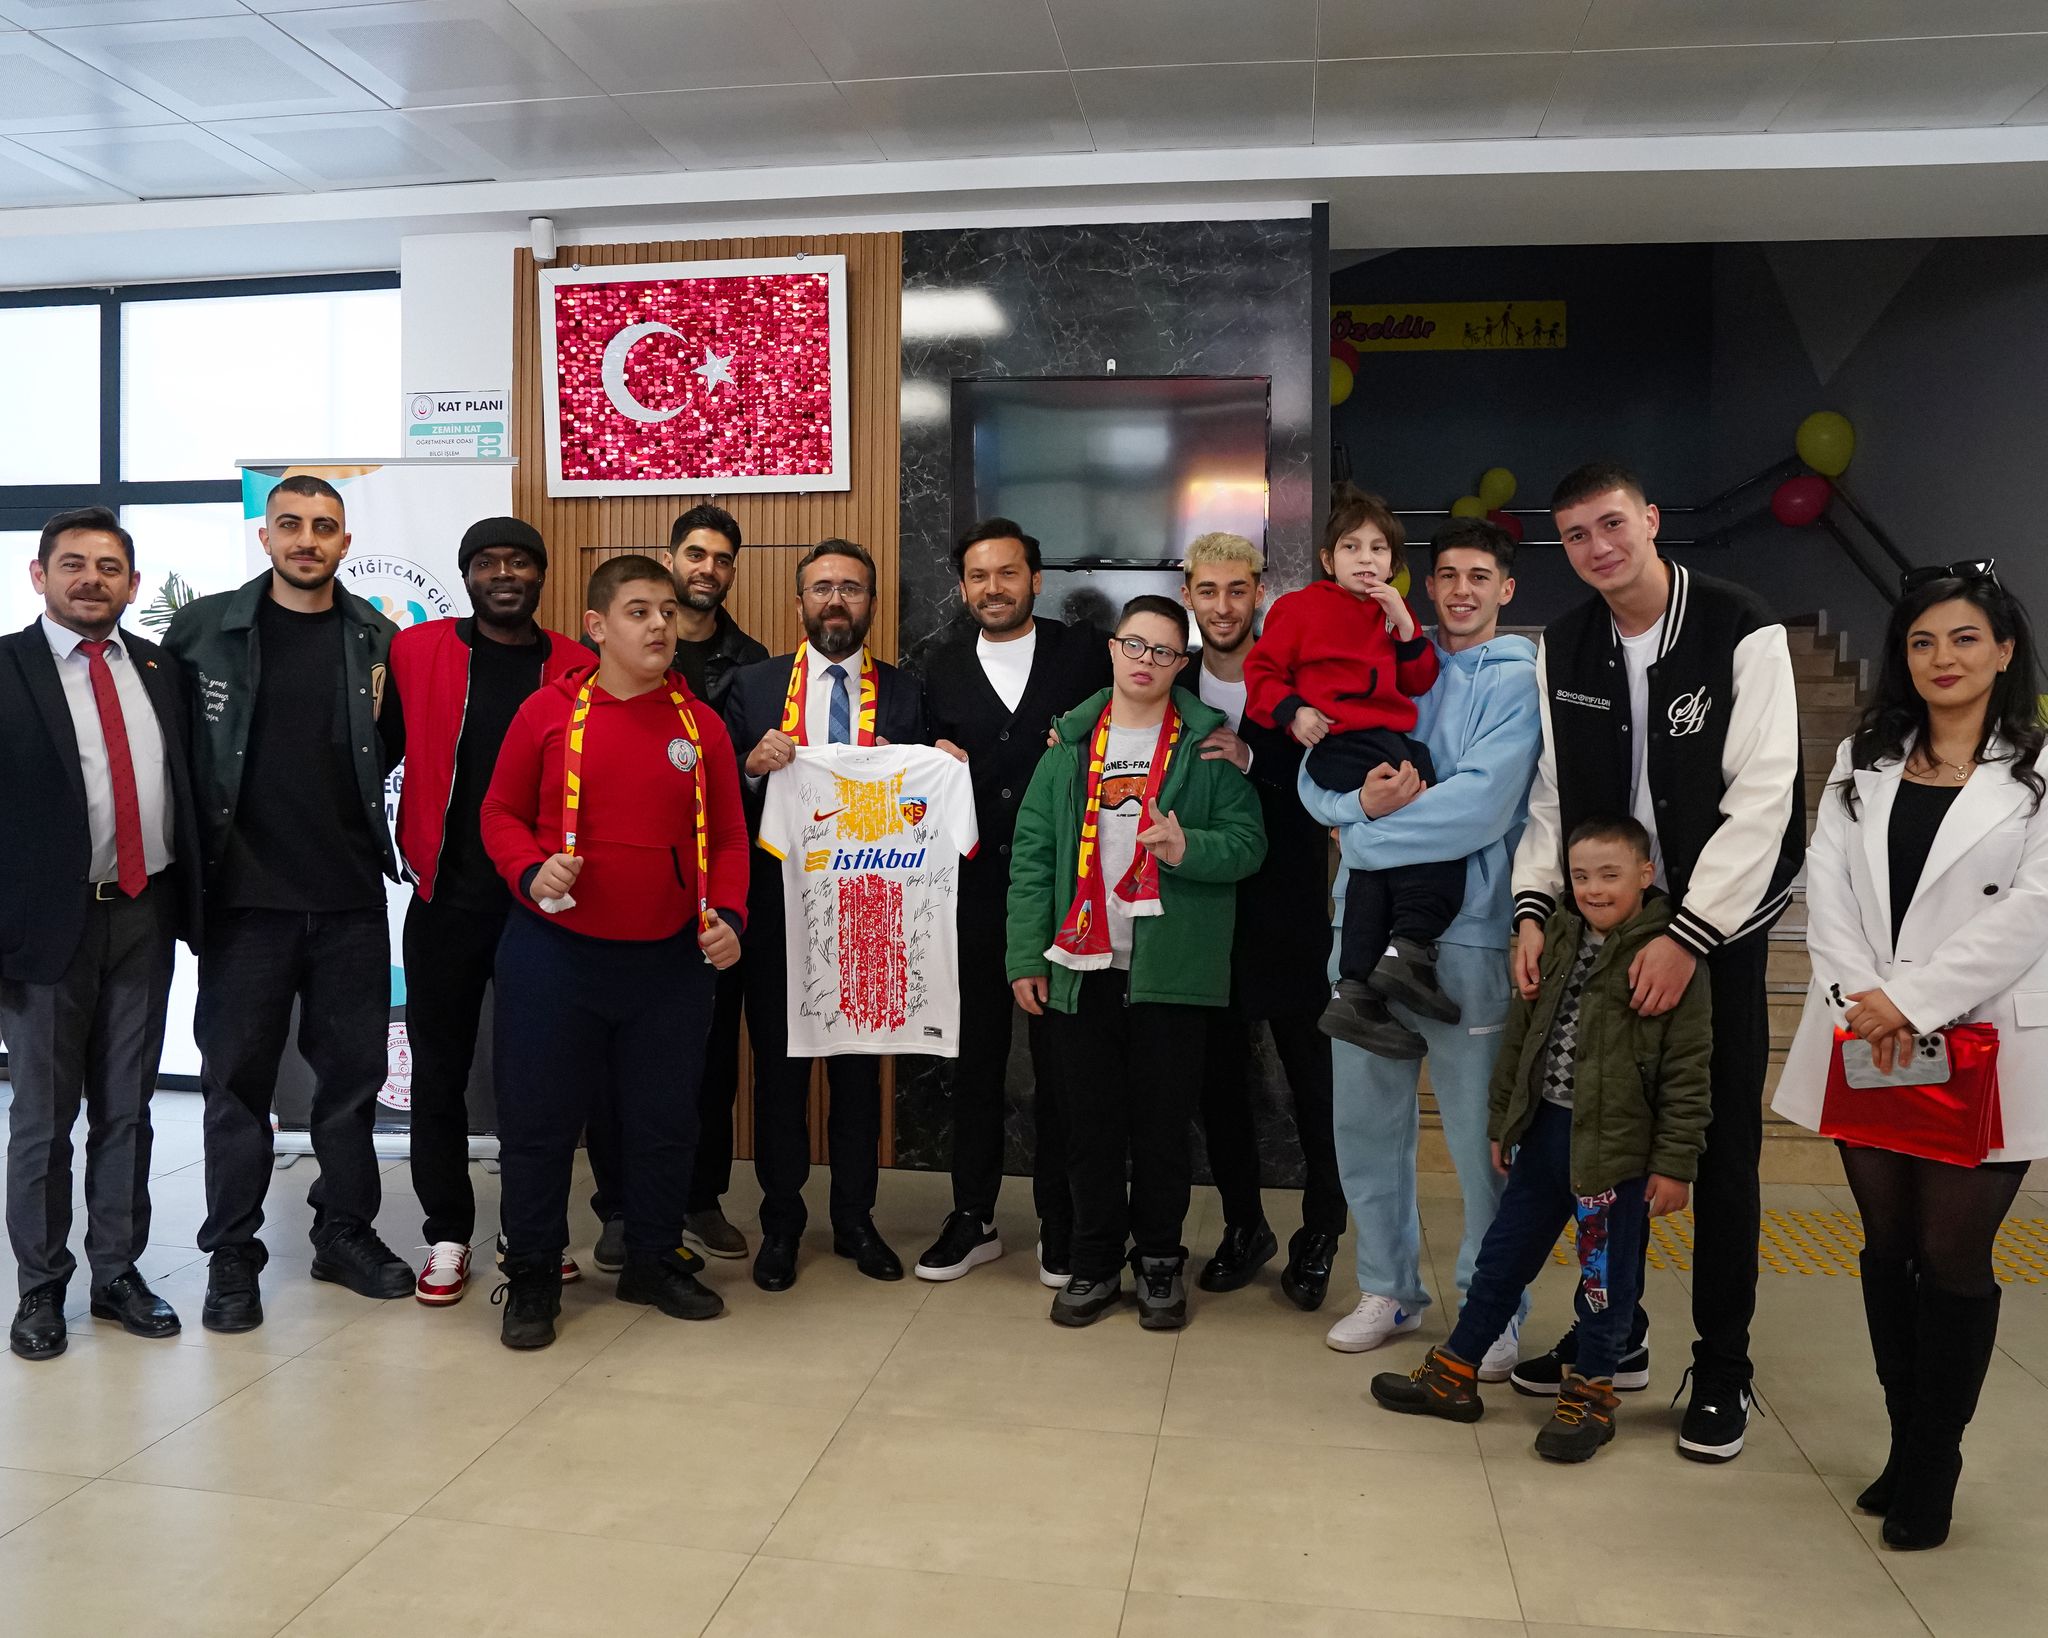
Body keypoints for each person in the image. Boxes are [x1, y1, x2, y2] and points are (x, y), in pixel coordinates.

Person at [1511, 460, 1802, 1462]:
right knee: (1606, 1147)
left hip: (1717, 930)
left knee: (1718, 1155)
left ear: (1649, 518)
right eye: (1575, 535)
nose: (1597, 547)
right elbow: (1552, 794)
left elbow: (1763, 796)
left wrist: (1689, 937)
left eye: (1610, 524)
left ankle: (1722, 1367)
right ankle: (1615, 1335)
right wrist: (1534, 908)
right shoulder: (1565, 643)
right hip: (1609, 926)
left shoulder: (1737, 623)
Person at [1774, 563, 2048, 1549]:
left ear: (2004, 651)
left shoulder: (2039, 768)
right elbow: (1827, 881)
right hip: (1871, 1036)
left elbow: (2035, 906)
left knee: (1951, 1253)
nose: (1942, 658)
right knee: (1885, 1247)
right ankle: (1903, 1437)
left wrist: (1913, 1001)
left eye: (1964, 638)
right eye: (1923, 641)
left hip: (1985, 1041)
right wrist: (1866, 1000)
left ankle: (1936, 1458)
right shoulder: (1864, 757)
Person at [1371, 817, 1710, 1463]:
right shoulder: (1556, 936)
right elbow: (1521, 1040)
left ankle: (1591, 1396)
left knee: (1605, 1281)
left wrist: (1674, 1164)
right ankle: (1455, 1372)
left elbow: (1689, 1071)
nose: (1593, 889)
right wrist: (1504, 1122)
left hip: (1615, 1154)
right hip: (1547, 1134)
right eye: (1580, 877)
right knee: (1501, 1258)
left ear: (1645, 874)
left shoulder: (1668, 957)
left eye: (1610, 875)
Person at [478, 555, 749, 1349]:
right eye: (639, 611)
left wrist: (731, 915)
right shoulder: (545, 713)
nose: (660, 624)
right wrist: (529, 869)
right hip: (553, 957)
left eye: (667, 610)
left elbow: (731, 839)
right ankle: (533, 1270)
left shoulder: (702, 726)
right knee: (538, 1125)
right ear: (597, 626)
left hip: (668, 963)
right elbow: (498, 812)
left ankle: (652, 1259)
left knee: (665, 1122)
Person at [165, 474, 410, 1333]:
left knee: (351, 1083)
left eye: (325, 526)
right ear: (265, 536)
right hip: (243, 902)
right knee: (236, 1085)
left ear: (346, 542)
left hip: (348, 899)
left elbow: (388, 748)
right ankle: (232, 1253)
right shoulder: (203, 633)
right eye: (292, 524)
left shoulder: (375, 637)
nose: (308, 539)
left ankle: (343, 1232)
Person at [1298, 519, 1541, 1367]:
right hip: (1360, 933)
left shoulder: (1518, 681)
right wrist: (1351, 807)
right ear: (1425, 586)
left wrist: (1362, 835)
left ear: (1506, 588)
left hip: (1467, 936)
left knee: (1480, 1139)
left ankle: (1492, 1304)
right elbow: (1317, 774)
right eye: (1448, 576)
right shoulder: (1381, 655)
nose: (1462, 590)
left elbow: (1481, 804)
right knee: (1365, 1124)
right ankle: (1388, 1288)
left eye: (1480, 576)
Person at [1007, 596, 1265, 1331]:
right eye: (1134, 646)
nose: (1146, 661)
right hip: (1078, 966)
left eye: (1163, 651)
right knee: (1087, 1129)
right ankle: (1093, 1262)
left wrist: (1188, 848)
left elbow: (1249, 844)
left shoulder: (1208, 748)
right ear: (1113, 650)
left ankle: (1158, 1261)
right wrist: (1024, 956)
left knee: (1161, 1129)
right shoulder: (1069, 748)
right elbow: (1032, 858)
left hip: (1171, 973)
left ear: (1181, 663)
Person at [2, 508, 204, 1361]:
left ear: (132, 582)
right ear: (39, 576)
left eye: (110, 567)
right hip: (42, 930)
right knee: (45, 1119)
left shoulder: (160, 669)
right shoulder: (6, 668)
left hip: (143, 913)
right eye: (74, 564)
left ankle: (117, 1274)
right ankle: (41, 1287)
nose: (92, 579)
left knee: (128, 1109)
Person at [387, 517, 587, 1305]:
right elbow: (374, 751)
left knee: (540, 1076)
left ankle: (530, 1233)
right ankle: (447, 1233)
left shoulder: (575, 665)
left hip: (544, 904)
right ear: (467, 575)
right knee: (439, 1072)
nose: (504, 573)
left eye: (520, 562)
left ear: (540, 575)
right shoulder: (417, 652)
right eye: (488, 562)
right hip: (447, 901)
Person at [723, 539, 927, 1293]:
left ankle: (855, 1219)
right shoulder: (753, 685)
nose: (835, 600)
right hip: (778, 912)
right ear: (800, 601)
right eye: (821, 588)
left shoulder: (906, 692)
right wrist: (751, 767)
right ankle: (781, 1223)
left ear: (871, 602)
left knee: (856, 1078)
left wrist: (930, 768)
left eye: (851, 588)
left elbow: (924, 803)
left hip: (870, 911)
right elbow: (713, 790)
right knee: (778, 1078)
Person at [911, 517, 1110, 1285]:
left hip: (1064, 894)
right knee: (975, 1062)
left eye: (1007, 573)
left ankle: (1062, 1220)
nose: (992, 588)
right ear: (962, 587)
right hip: (967, 897)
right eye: (978, 576)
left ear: (1035, 579)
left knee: (1064, 1066)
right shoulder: (937, 664)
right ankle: (973, 1216)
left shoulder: (1085, 653)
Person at [586, 505, 768, 1270]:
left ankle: (699, 1198)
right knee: (614, 1067)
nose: (707, 569)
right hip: (616, 898)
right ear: (670, 560)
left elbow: (743, 801)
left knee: (710, 1061)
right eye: (696, 554)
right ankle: (620, 1209)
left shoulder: (754, 663)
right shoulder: (607, 661)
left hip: (709, 900)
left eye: (722, 559)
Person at [1178, 533, 1346, 1307]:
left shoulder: (1299, 683)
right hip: (1203, 912)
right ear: (1188, 596)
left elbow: (1330, 778)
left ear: (1259, 596)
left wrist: (1252, 760)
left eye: (1237, 590)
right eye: (1209, 590)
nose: (1223, 606)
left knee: (1314, 1083)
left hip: (1289, 911)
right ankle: (1244, 1225)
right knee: (1218, 1084)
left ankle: (1322, 1231)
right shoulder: (1173, 682)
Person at [1244, 487, 1465, 1056]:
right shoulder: (1301, 607)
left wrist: (1406, 626)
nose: (1366, 558)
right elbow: (1261, 673)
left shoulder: (1392, 613)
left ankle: (1356, 988)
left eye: (1378, 549)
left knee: (1375, 857)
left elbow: (1418, 681)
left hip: (1387, 740)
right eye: (1351, 547)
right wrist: (1294, 712)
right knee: (1431, 826)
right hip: (1340, 741)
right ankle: (1410, 946)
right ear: (1328, 559)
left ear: (1393, 563)